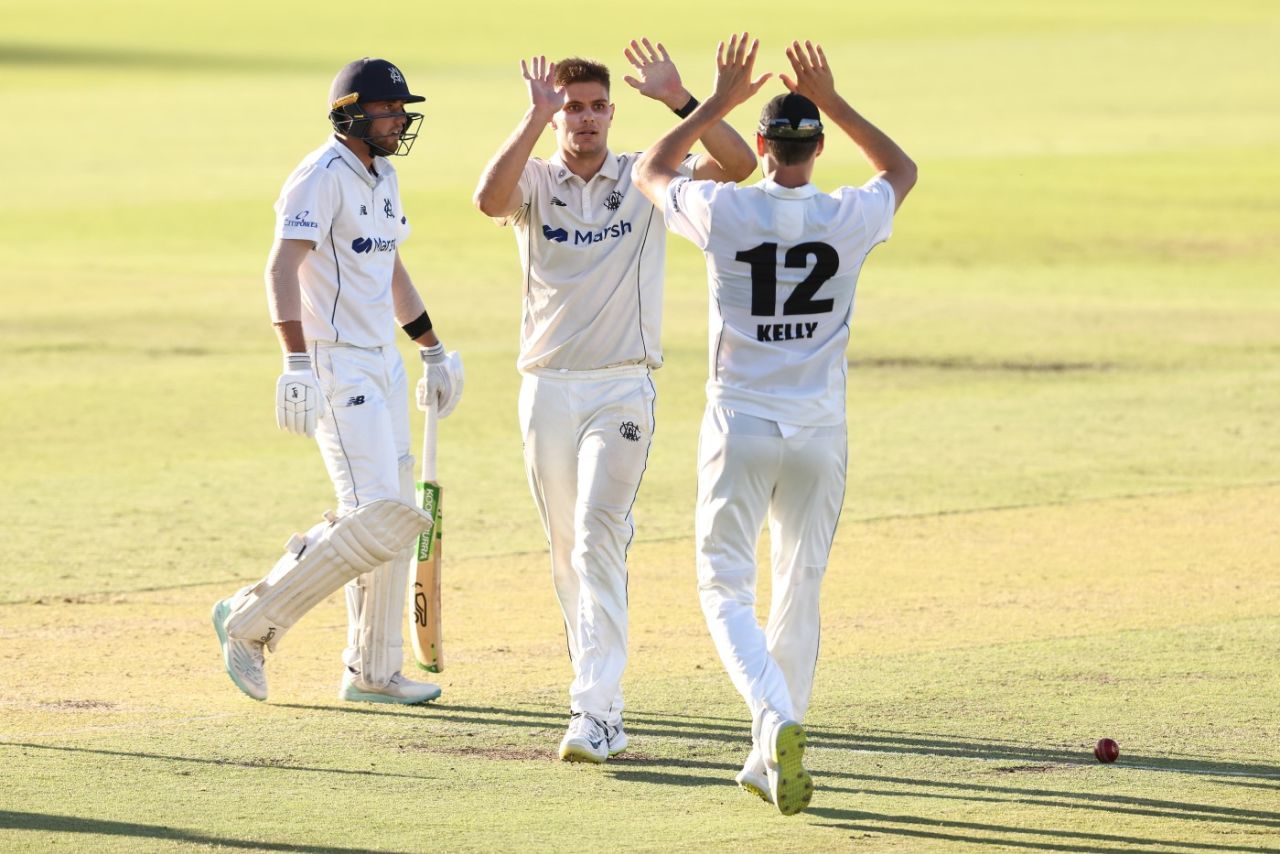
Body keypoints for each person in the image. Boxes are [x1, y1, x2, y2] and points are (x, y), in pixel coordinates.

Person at [632, 35, 917, 814]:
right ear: (818, 147)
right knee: (801, 587)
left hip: (742, 423)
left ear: (759, 146)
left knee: (723, 586)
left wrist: (711, 101)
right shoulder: (849, 214)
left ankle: (774, 719)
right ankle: (769, 754)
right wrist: (836, 101)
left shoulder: (726, 207)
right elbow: (901, 171)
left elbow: (650, 172)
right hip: (820, 432)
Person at [473, 39, 756, 763]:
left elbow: (738, 166)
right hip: (546, 386)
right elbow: (488, 201)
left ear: (612, 111)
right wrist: (533, 120)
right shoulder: (535, 178)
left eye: (598, 107)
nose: (587, 119)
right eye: (574, 108)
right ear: (558, 113)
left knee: (601, 530)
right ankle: (595, 692)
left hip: (622, 384)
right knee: (567, 548)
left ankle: (596, 711)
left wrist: (681, 100)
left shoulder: (643, 175)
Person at [211, 57, 464, 706]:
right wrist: (295, 361)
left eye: (402, 109)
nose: (401, 119)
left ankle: (373, 672)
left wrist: (431, 348)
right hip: (333, 360)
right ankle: (249, 622)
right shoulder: (319, 177)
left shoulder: (384, 175)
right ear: (352, 112)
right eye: (388, 109)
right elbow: (279, 269)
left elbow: (390, 266)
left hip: (381, 356)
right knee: (378, 511)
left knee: (396, 514)